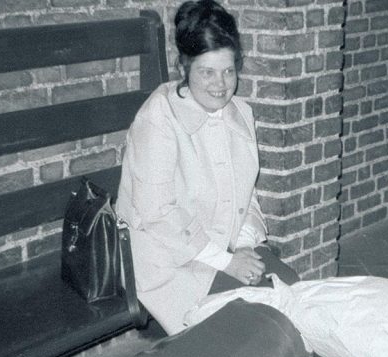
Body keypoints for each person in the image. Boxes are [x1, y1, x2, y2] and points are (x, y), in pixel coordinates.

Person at [115, 0, 298, 335]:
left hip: (224, 249)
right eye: (207, 72)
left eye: (229, 71)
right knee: (258, 319)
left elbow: (247, 195)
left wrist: (244, 244)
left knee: (292, 288)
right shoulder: (159, 118)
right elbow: (157, 215)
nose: (221, 84)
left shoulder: (241, 114)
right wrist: (227, 261)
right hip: (172, 261)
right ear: (185, 66)